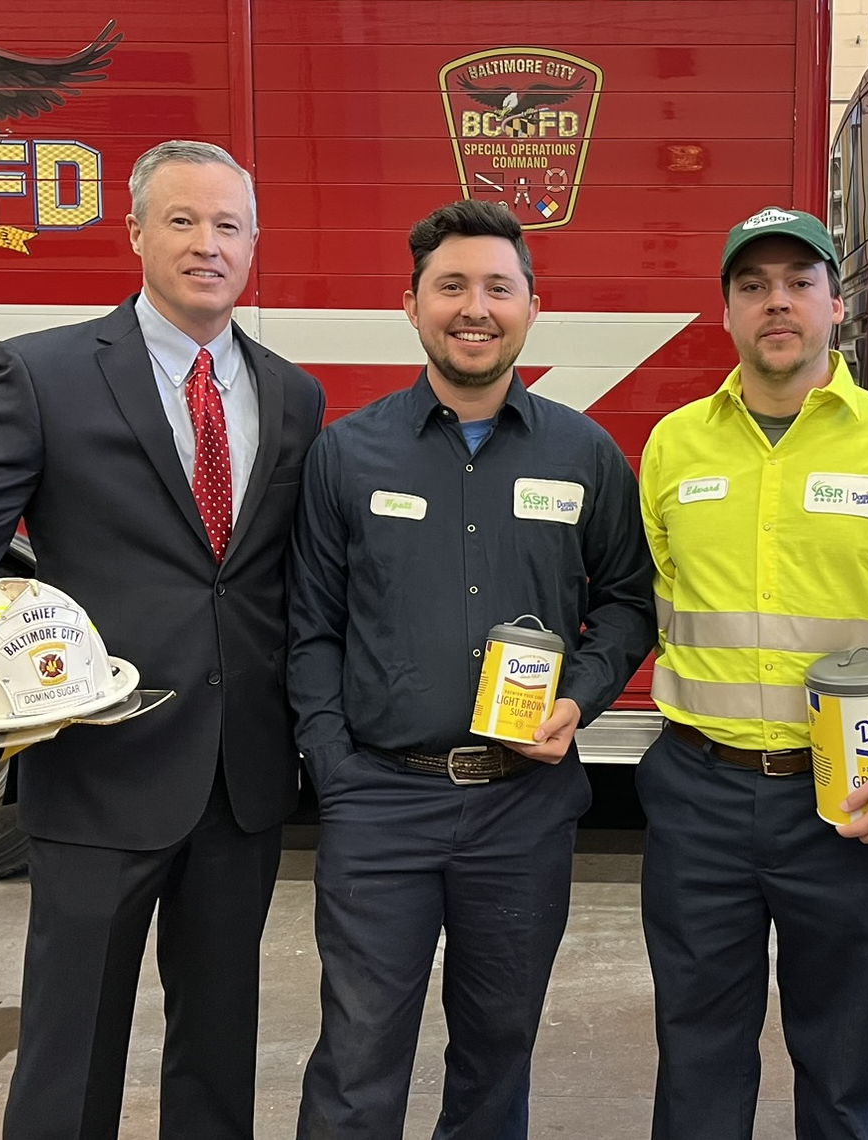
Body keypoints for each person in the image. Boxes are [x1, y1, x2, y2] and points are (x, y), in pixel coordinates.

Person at [0, 140, 325, 1140]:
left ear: (254, 246)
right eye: (182, 221)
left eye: (228, 225)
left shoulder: (293, 395)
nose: (206, 244)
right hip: (101, 768)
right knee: (70, 1049)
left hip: (239, 781)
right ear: (137, 233)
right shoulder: (48, 372)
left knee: (219, 1050)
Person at [287, 199, 657, 1140]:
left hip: (520, 811)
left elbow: (627, 599)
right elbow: (311, 626)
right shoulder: (347, 453)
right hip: (381, 802)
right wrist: (333, 768)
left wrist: (579, 696)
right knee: (359, 1051)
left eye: (498, 287)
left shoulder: (585, 453)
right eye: (450, 286)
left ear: (534, 307)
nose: (474, 307)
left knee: (498, 1045)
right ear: (409, 306)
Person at [636, 206, 868, 1140]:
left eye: (799, 282)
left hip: (844, 802)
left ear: (838, 306)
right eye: (752, 286)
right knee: (695, 1058)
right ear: (725, 312)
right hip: (698, 794)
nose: (777, 303)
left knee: (838, 1066)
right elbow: (665, 604)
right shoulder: (676, 445)